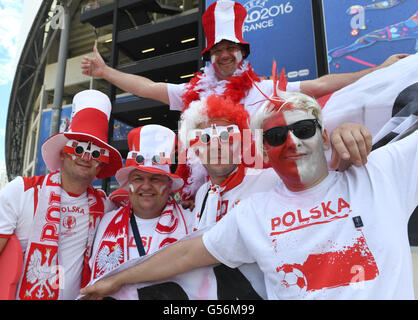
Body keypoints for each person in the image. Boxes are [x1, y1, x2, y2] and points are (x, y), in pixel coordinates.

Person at [80, 83, 418, 300]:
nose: (292, 142)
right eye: (275, 138)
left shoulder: (373, 174)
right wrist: (114, 280)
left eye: (303, 129)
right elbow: (187, 256)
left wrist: (352, 133)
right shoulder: (229, 205)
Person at [81, 0, 406, 118]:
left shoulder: (263, 90)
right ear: (210, 56)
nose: (224, 55)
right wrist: (107, 72)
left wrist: (377, 71)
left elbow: (320, 84)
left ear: (242, 54)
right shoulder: (193, 92)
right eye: (217, 50)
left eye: (230, 49)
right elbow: (148, 87)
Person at [0, 90, 123, 300]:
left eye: (95, 152)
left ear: (101, 163)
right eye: (78, 147)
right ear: (64, 152)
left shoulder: (106, 207)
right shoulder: (21, 191)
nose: (86, 156)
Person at [88, 125, 191, 283]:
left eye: (155, 178)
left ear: (169, 185)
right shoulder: (105, 221)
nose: (146, 185)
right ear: (128, 183)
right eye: (138, 179)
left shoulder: (191, 223)